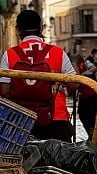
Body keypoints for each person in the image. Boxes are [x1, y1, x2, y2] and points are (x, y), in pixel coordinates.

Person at [0, 10, 77, 142]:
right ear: (41, 28)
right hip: (56, 119)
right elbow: (74, 85)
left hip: (20, 121)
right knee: (62, 160)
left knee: (20, 161)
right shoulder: (58, 53)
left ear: (18, 30)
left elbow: (4, 91)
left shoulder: (9, 54)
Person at [78, 48, 97, 140]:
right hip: (83, 94)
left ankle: (92, 135)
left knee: (90, 116)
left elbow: (94, 69)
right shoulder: (78, 65)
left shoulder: (86, 63)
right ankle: (91, 134)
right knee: (83, 115)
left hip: (91, 93)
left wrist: (83, 75)